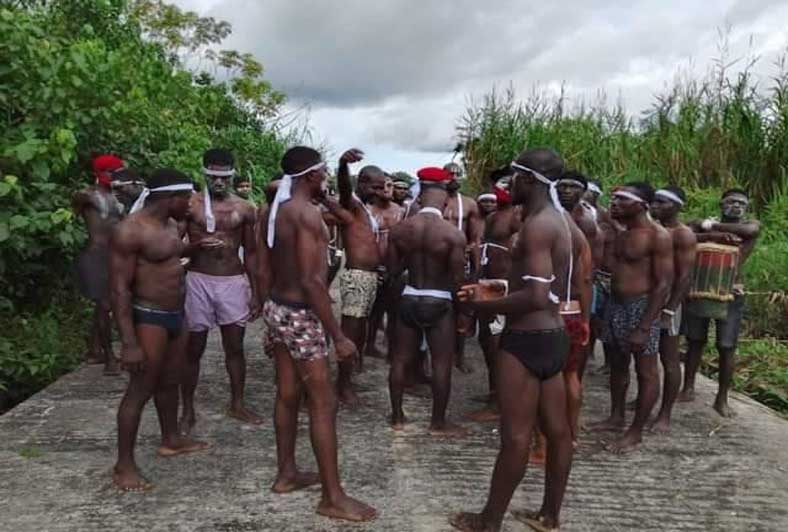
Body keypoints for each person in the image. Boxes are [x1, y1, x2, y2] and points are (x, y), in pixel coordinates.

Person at [450, 148, 574, 532]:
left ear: (531, 181)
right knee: (558, 432)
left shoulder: (537, 226)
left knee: (516, 436)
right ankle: (549, 516)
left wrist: (482, 308)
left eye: (514, 178)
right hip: (553, 337)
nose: (508, 185)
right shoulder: (560, 222)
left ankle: (489, 521)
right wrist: (493, 291)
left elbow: (535, 297)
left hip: (525, 339)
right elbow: (543, 289)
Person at [258, 146, 377, 522]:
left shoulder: (273, 211)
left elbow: (265, 266)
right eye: (323, 173)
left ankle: (287, 474)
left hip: (278, 307)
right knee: (323, 403)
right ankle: (332, 496)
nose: (326, 179)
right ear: (312, 176)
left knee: (288, 393)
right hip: (301, 314)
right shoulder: (307, 216)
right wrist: (337, 334)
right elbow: (312, 281)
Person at [110, 168, 210, 492]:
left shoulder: (170, 226)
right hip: (148, 316)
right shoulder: (131, 230)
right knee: (141, 388)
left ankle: (171, 439)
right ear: (172, 198)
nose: (192, 206)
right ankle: (124, 465)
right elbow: (120, 290)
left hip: (174, 314)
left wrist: (196, 248)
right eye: (188, 199)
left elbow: (170, 256)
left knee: (170, 380)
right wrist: (129, 341)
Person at [179, 148, 262, 434]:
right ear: (204, 173)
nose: (217, 181)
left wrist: (256, 292)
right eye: (212, 175)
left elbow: (251, 253)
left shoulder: (245, 208)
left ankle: (237, 403)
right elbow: (173, 245)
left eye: (223, 176)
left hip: (232, 280)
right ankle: (187, 409)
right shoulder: (191, 205)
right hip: (198, 278)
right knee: (193, 348)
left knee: (235, 347)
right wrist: (195, 246)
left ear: (231, 175)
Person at [589, 183, 673, 454]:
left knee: (646, 371)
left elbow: (663, 284)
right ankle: (616, 417)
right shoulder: (623, 234)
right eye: (613, 199)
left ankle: (635, 432)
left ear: (642, 205)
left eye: (622, 200)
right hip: (616, 305)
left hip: (641, 307)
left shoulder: (657, 236)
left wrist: (646, 324)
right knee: (617, 365)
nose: (614, 204)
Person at [387, 167, 467, 435]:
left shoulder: (400, 230)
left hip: (410, 296)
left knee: (399, 360)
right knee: (442, 362)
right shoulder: (452, 235)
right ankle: (438, 423)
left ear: (419, 199)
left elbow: (393, 270)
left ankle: (397, 416)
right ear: (444, 202)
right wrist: (464, 314)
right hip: (439, 299)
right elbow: (457, 281)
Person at [680, 188, 760, 417]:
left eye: (741, 203)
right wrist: (709, 234)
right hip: (700, 288)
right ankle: (688, 388)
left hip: (731, 292)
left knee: (726, 346)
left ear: (747, 207)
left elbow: (750, 229)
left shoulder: (748, 229)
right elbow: (684, 232)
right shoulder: (704, 226)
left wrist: (709, 226)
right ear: (721, 204)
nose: (736, 206)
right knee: (694, 340)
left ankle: (721, 398)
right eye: (731, 201)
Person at [467, 169, 520, 422]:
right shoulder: (494, 216)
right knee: (487, 341)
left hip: (503, 287)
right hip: (489, 284)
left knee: (497, 344)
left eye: (509, 185)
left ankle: (501, 400)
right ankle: (495, 393)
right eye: (500, 184)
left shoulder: (517, 217)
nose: (503, 189)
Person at [335, 150, 385, 406]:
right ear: (362, 182)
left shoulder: (364, 208)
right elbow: (343, 186)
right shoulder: (351, 202)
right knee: (350, 333)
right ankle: (342, 386)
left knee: (360, 332)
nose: (378, 192)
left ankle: (347, 382)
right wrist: (343, 165)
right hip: (356, 276)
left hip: (368, 277)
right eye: (375, 187)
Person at [72, 154, 128, 375]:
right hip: (96, 255)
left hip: (116, 254)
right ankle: (109, 357)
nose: (115, 177)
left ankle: (94, 349)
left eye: (117, 172)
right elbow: (75, 207)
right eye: (111, 172)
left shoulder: (118, 197)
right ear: (99, 173)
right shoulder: (88, 195)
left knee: (110, 303)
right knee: (105, 305)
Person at [648, 186, 697, 432]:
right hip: (647, 299)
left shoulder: (683, 235)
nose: (655, 206)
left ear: (678, 206)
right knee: (646, 357)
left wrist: (669, 310)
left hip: (668, 302)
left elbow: (684, 277)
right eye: (654, 201)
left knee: (669, 358)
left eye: (662, 202)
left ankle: (665, 413)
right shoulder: (652, 229)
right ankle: (646, 400)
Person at [443, 161, 484, 374]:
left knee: (463, 310)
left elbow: (476, 238)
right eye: (450, 174)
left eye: (458, 174)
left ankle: (459, 355)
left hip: (462, 264)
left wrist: (476, 270)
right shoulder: (433, 202)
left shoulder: (469, 204)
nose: (454, 178)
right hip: (438, 265)